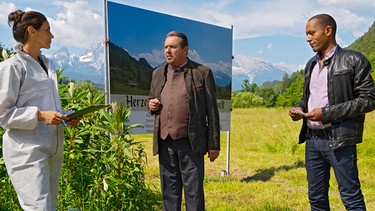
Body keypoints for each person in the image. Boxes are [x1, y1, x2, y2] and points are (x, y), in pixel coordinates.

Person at [289, 14, 375, 210]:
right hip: (312, 140)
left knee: (350, 197)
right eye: (306, 34)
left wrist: (326, 114)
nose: (308, 38)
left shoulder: (354, 60)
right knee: (316, 198)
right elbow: (309, 97)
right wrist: (300, 108)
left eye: (311, 33)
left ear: (328, 31)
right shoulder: (310, 64)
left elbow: (369, 100)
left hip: (340, 141)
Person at [0, 10, 81, 210]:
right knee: (40, 208)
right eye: (47, 30)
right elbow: (3, 114)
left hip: (52, 150)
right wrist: (41, 115)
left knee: (49, 207)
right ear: (31, 31)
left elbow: (48, 106)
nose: (52, 36)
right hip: (26, 152)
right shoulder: (12, 67)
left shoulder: (48, 65)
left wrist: (65, 117)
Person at [148, 31, 220, 211]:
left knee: (194, 193)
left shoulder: (202, 73)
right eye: (165, 47)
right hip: (166, 143)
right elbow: (152, 102)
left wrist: (214, 144)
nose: (167, 51)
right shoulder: (157, 73)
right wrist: (151, 105)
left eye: (172, 47)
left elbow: (212, 111)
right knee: (169, 192)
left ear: (185, 49)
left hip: (191, 143)